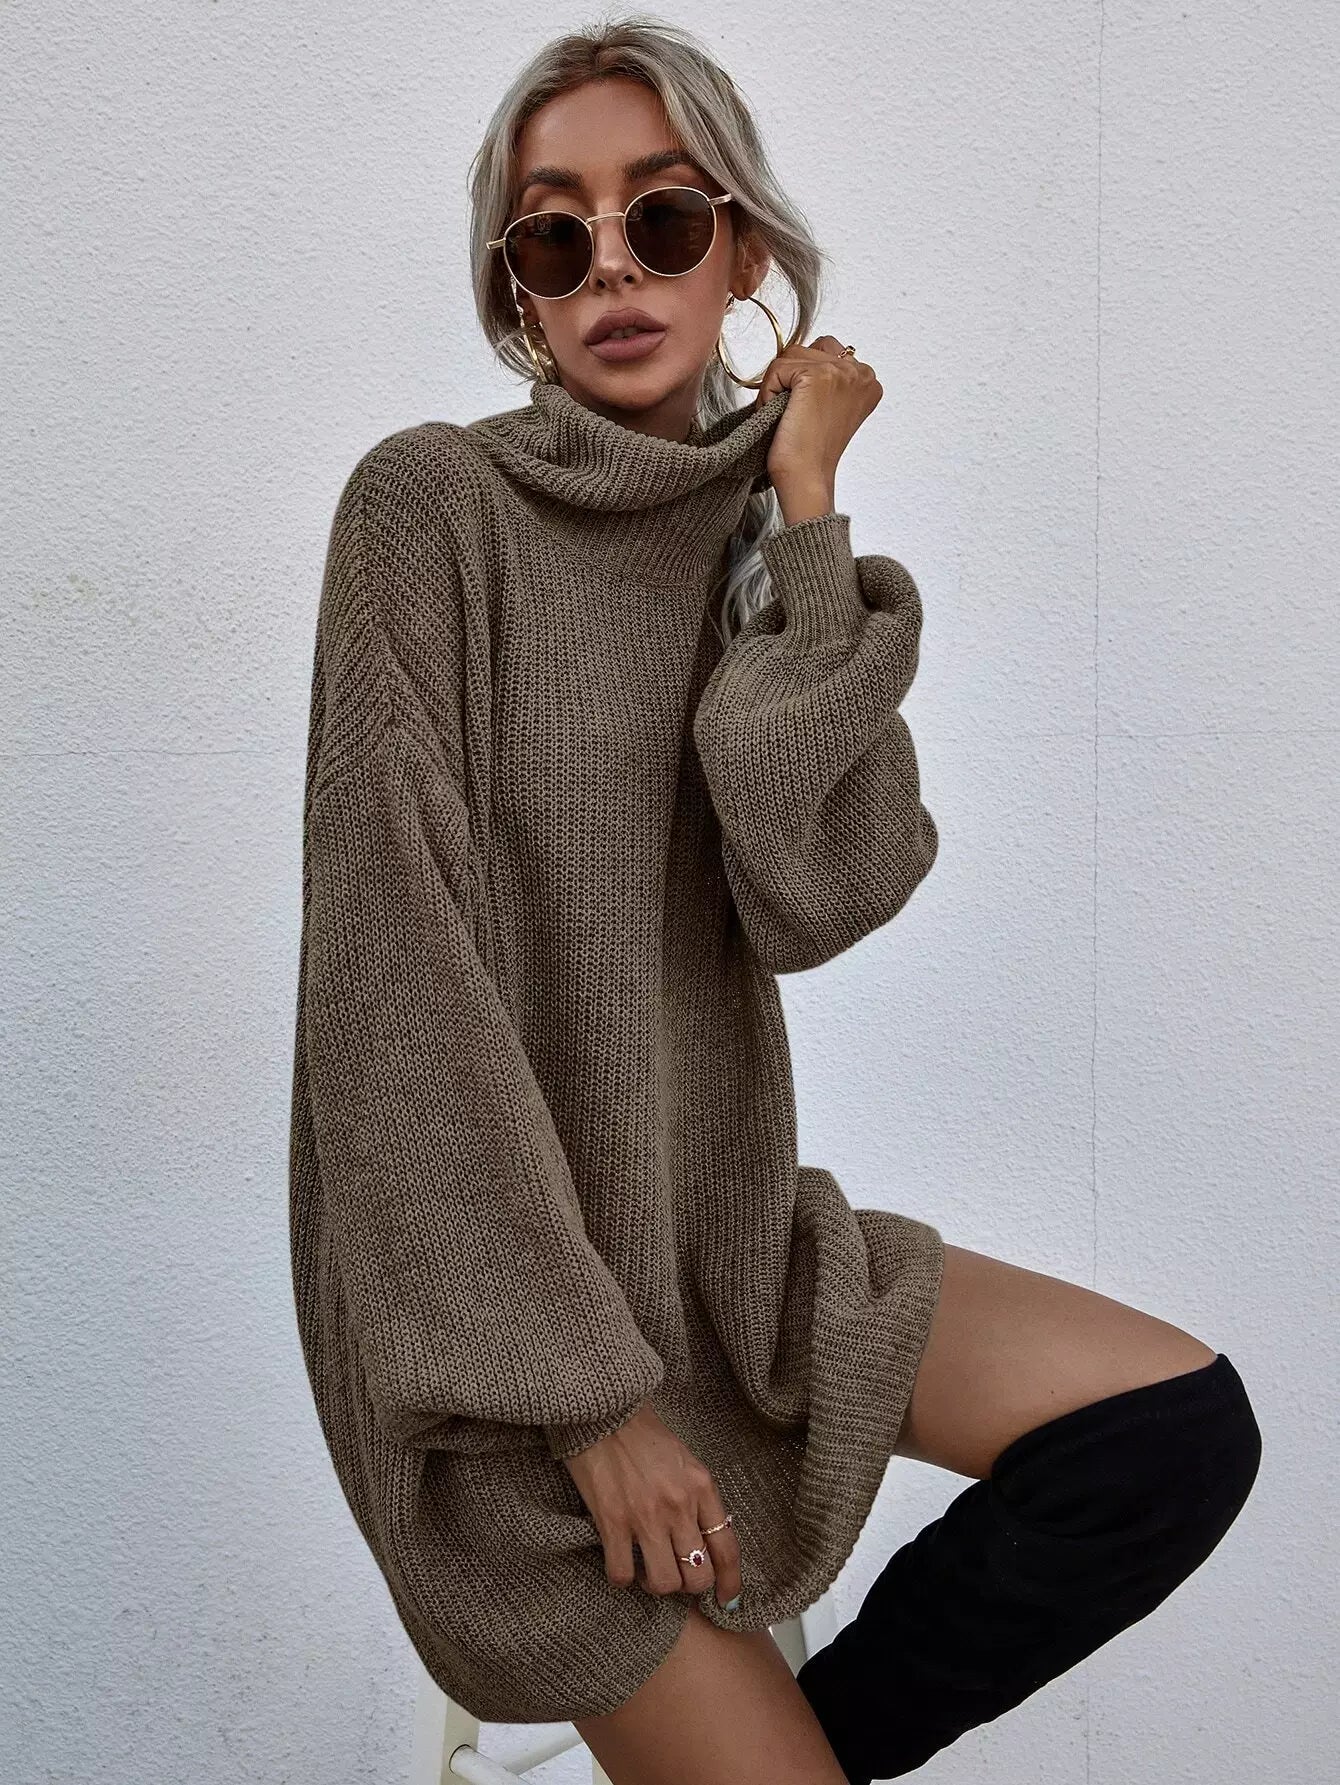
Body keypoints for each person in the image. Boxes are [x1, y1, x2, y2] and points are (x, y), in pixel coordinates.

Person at [288, 18, 1262, 1784]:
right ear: (517, 297)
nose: (611, 266)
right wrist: (593, 1407)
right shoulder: (428, 507)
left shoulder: (760, 539)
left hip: (727, 1269)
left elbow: (824, 891)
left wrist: (806, 508)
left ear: (741, 250)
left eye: (662, 218)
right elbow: (390, 993)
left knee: (1173, 1436)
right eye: (553, 236)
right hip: (501, 1362)